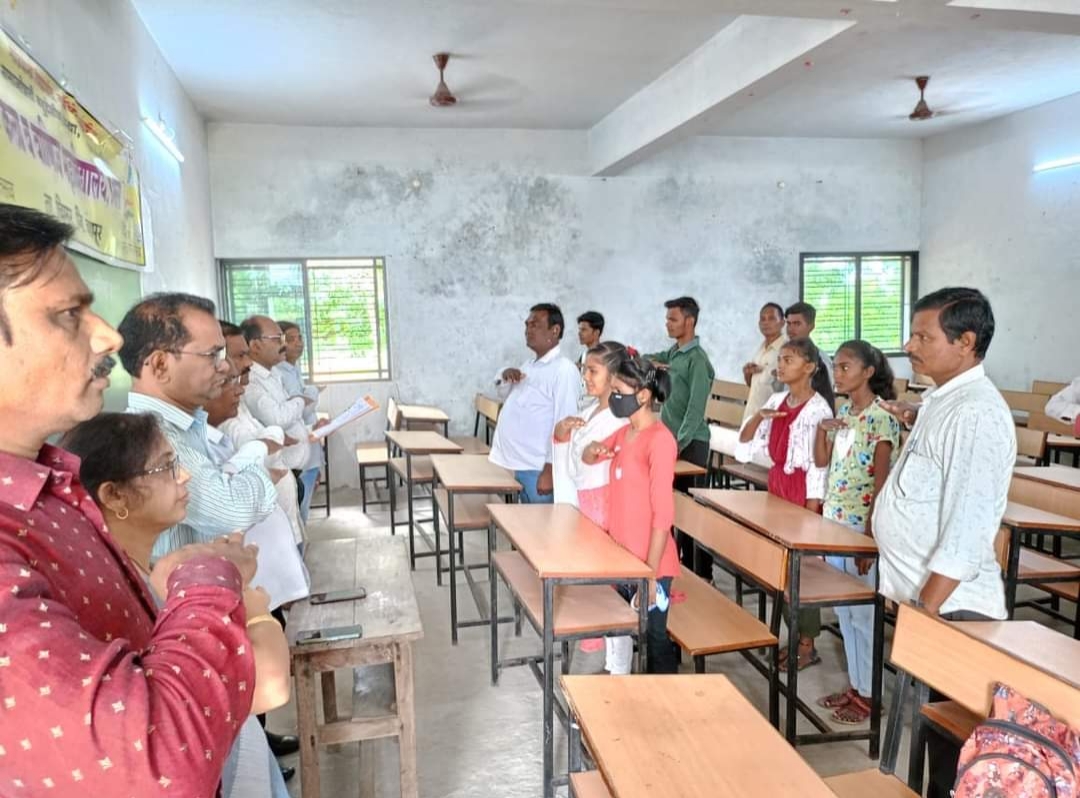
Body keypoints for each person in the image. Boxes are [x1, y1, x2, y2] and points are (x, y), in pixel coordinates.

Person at [0, 203, 259, 794]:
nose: (109, 336)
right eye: (69, 315)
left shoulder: (47, 482)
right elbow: (156, 761)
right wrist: (204, 577)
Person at [60, 413, 292, 798]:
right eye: (166, 467)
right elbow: (267, 686)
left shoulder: (140, 569)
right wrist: (254, 608)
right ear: (114, 496)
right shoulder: (118, 592)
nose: (183, 477)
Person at [873, 287, 1015, 798]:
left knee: (954, 761)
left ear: (965, 342)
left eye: (923, 336)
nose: (909, 345)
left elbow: (968, 530)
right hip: (932, 604)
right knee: (936, 742)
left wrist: (926, 610)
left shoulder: (975, 413)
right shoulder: (945, 399)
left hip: (953, 609)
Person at [119, 294, 279, 561]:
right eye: (212, 355)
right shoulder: (153, 438)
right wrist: (262, 473)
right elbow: (234, 510)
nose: (225, 366)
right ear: (160, 365)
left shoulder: (184, 426)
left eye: (222, 354)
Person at [812, 342, 901, 725]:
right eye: (835, 366)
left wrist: (870, 538)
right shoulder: (845, 412)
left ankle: (870, 695)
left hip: (860, 527)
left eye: (845, 367)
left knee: (863, 615)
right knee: (845, 613)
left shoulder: (883, 418)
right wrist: (821, 431)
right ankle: (857, 686)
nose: (838, 373)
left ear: (868, 372)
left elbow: (882, 484)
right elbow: (822, 461)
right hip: (835, 522)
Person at [737, 337, 834, 670]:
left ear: (809, 367)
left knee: (800, 572)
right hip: (778, 486)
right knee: (779, 567)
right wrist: (758, 417)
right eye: (780, 359)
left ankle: (807, 644)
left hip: (802, 492)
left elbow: (819, 469)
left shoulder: (818, 409)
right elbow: (745, 445)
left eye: (789, 359)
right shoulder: (777, 400)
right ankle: (791, 636)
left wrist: (812, 510)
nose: (780, 365)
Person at [583, 355, 680, 673]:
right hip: (623, 557)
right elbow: (589, 455)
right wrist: (592, 449)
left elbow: (663, 514)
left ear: (643, 395)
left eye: (618, 391)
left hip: (651, 563)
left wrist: (649, 575)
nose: (613, 397)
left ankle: (665, 697)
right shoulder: (625, 433)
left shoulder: (660, 441)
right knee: (627, 629)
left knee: (654, 637)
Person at [552, 341, 631, 672]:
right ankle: (588, 645)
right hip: (583, 510)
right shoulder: (587, 414)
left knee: (600, 589)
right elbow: (573, 460)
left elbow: (615, 469)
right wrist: (561, 433)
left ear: (614, 377)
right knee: (584, 586)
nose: (585, 376)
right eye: (585, 369)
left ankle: (597, 655)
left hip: (604, 513)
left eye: (592, 370)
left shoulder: (621, 421)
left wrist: (591, 456)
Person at [643, 296, 715, 578]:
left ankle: (702, 573)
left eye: (673, 319)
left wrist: (677, 444)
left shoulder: (697, 360)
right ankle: (676, 564)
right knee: (670, 506)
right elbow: (649, 358)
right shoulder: (674, 353)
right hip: (672, 443)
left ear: (690, 321)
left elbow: (695, 410)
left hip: (691, 443)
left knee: (692, 512)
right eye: (667, 319)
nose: (668, 324)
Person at [221, 322, 307, 550]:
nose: (247, 363)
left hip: (280, 517)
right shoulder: (226, 410)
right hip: (263, 534)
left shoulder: (269, 378)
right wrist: (274, 435)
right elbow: (274, 423)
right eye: (240, 356)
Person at [489, 303, 581, 503]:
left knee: (540, 522)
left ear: (554, 330)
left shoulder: (563, 370)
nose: (528, 330)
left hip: (538, 469)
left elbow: (565, 422)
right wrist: (505, 376)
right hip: (519, 464)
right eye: (527, 325)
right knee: (524, 520)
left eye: (535, 325)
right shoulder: (529, 366)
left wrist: (549, 469)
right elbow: (507, 396)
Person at [240, 316, 318, 517]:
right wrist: (300, 400)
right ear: (255, 345)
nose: (283, 345)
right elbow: (278, 417)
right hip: (276, 473)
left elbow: (290, 418)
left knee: (295, 525)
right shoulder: (251, 381)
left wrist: (308, 428)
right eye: (277, 339)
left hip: (292, 471)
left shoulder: (273, 374)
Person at [710, 301, 786, 461]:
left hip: (771, 416)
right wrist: (748, 373)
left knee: (765, 461)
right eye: (762, 319)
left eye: (771, 318)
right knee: (749, 457)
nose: (766, 323)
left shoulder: (785, 349)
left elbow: (785, 383)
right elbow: (753, 384)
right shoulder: (761, 348)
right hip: (753, 411)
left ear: (782, 322)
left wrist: (772, 373)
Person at [274, 321, 324, 521]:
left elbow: (302, 407)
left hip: (308, 450)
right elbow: (299, 411)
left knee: (303, 512)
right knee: (296, 515)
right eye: (291, 339)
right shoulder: (279, 374)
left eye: (300, 338)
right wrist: (312, 391)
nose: (298, 343)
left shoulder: (293, 369)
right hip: (295, 454)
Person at [785, 301, 834, 387]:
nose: (790, 329)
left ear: (811, 326)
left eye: (797, 324)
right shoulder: (783, 356)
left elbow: (827, 390)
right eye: (789, 324)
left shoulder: (820, 360)